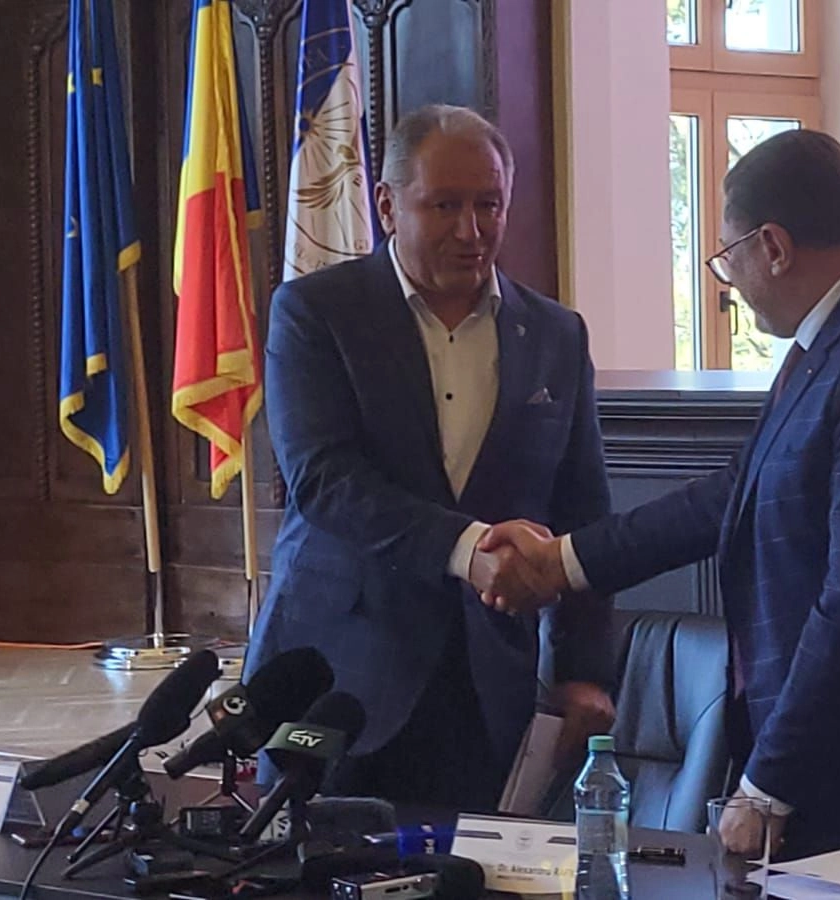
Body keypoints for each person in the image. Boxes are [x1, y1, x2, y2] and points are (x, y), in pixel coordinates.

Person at [477, 130, 840, 858]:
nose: (727, 278)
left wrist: (767, 788)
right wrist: (564, 561)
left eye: (727, 256)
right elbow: (735, 493)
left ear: (774, 247)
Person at [244, 104, 615, 811]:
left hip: (488, 692)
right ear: (388, 206)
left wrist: (584, 670)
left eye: (489, 205)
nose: (471, 231)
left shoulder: (556, 335)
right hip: (336, 681)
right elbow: (324, 480)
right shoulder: (316, 314)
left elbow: (583, 512)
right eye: (444, 206)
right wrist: (467, 549)